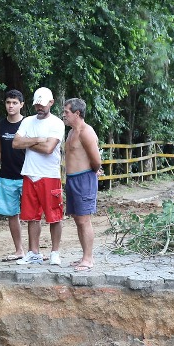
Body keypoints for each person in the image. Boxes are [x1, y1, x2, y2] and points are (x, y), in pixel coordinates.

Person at [12, 87, 66, 266]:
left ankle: (55, 252)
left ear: (51, 103)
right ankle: (33, 252)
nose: (39, 108)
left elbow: (48, 149)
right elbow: (15, 143)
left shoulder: (57, 123)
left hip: (49, 175)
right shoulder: (28, 121)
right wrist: (38, 139)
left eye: (42, 104)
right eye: (37, 104)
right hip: (30, 173)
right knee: (31, 216)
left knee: (54, 215)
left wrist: (28, 141)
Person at [61, 97, 102, 272]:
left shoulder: (86, 132)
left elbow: (96, 161)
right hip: (72, 179)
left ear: (77, 113)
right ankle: (84, 256)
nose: (64, 115)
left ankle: (88, 259)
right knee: (78, 219)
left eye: (66, 112)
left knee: (84, 220)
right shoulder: (71, 132)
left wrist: (92, 172)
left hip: (84, 179)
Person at [0, 90, 27, 261]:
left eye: (14, 103)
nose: (11, 106)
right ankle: (19, 250)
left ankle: (34, 251)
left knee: (33, 215)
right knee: (12, 214)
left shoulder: (29, 123)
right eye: (8, 102)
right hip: (7, 176)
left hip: (28, 176)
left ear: (21, 105)